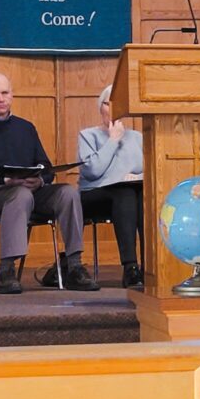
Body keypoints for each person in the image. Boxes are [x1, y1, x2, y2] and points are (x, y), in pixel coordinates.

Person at [0, 72, 99, 294]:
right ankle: (6, 271)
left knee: (68, 192)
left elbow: (46, 166)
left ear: (12, 96)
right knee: (19, 194)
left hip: (29, 191)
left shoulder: (25, 128)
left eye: (5, 93)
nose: (0, 98)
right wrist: (4, 180)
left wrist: (40, 180)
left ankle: (74, 266)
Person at [78, 85, 144, 288]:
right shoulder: (88, 136)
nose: (112, 108)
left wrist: (136, 176)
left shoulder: (136, 137)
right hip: (94, 195)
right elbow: (93, 171)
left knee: (143, 194)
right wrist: (113, 139)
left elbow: (147, 170)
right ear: (101, 107)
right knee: (124, 192)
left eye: (117, 104)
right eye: (108, 103)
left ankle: (150, 266)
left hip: (130, 195)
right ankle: (130, 267)